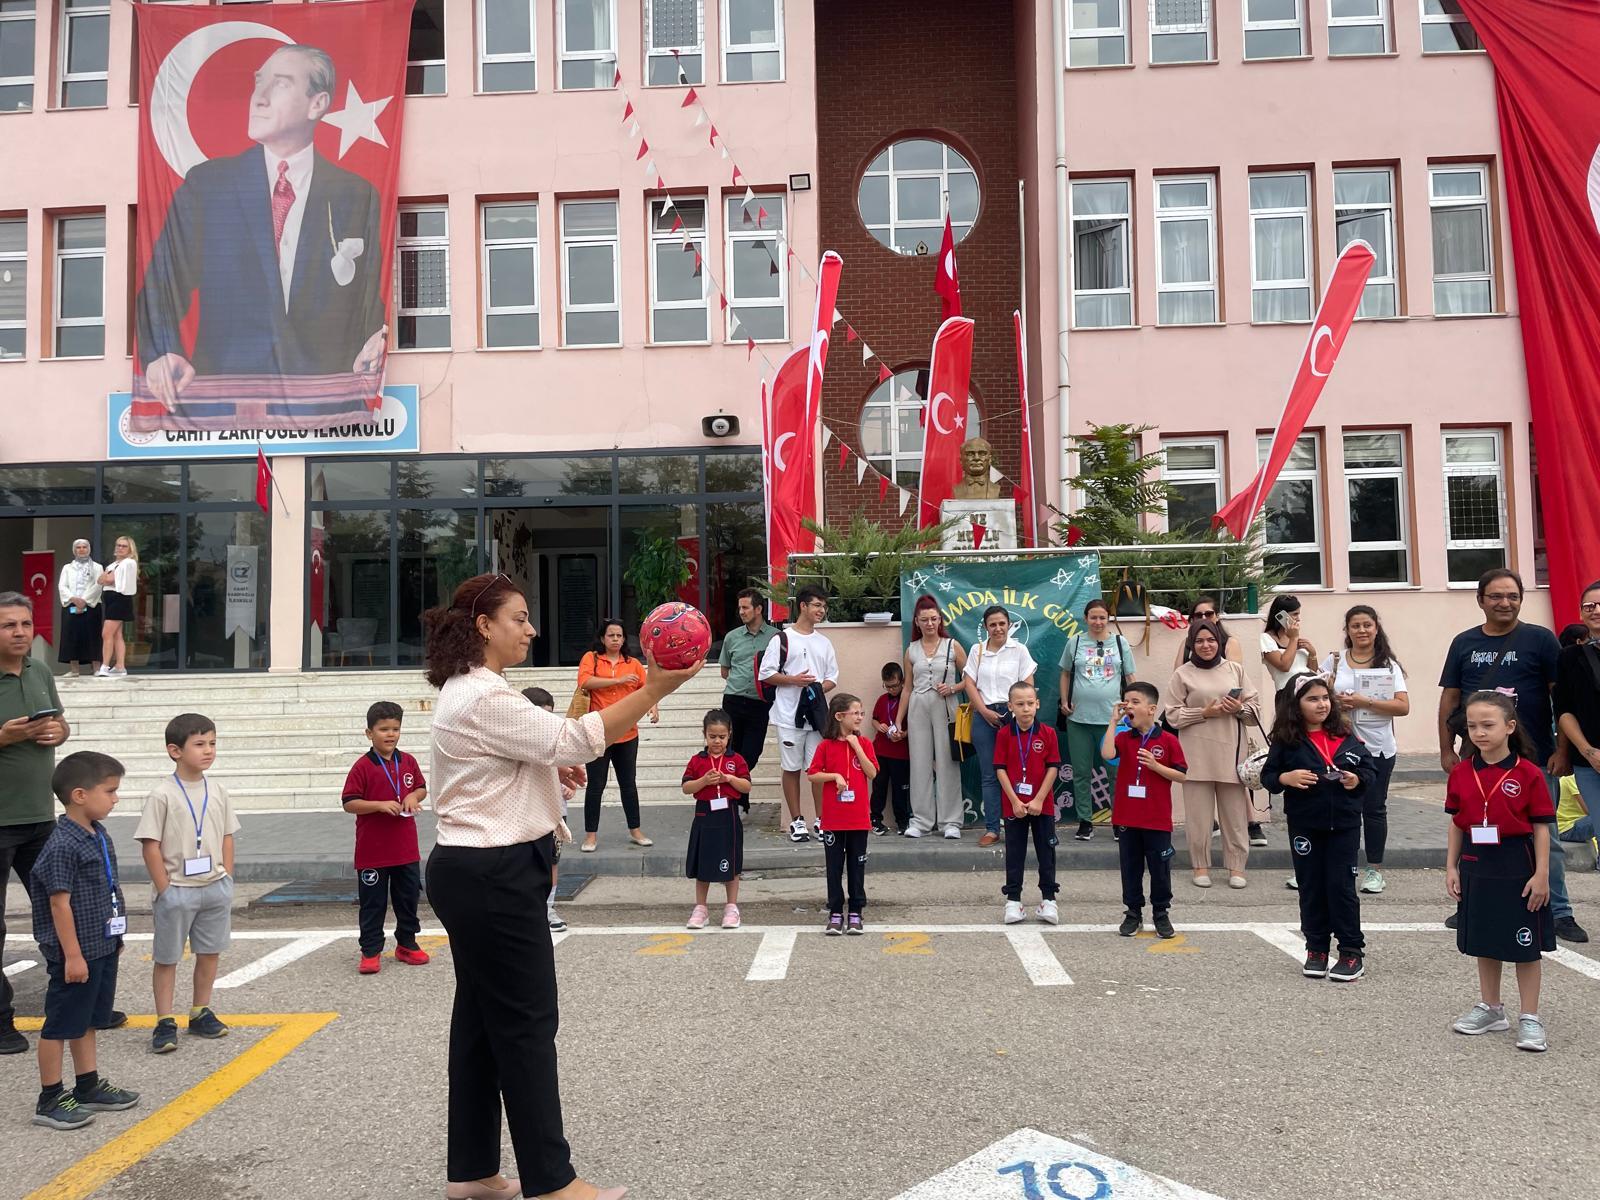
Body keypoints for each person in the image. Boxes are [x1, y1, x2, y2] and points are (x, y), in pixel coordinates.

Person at [422, 572, 696, 1200]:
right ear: (483, 626)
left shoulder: (476, 690)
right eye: (518, 618)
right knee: (524, 1026)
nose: (531, 629)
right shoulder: (484, 696)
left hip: (474, 870)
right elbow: (574, 736)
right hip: (493, 874)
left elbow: (527, 757)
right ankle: (552, 1183)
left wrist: (546, 771)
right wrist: (653, 685)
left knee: (482, 1026)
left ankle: (472, 1174)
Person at [135, 44, 386, 425]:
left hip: (325, 405)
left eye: (280, 85)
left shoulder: (355, 193)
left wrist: (377, 336)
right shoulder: (208, 186)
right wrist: (162, 351)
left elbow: (372, 293)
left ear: (316, 104)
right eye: (258, 83)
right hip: (221, 403)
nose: (259, 98)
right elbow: (162, 283)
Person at [1438, 568, 1584, 942]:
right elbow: (1450, 699)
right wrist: (1446, 749)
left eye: (1513, 596)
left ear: (1521, 599)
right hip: (1477, 758)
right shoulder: (1463, 643)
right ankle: (1469, 901)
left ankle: (1559, 910)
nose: (1505, 603)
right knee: (1474, 830)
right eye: (1496, 596)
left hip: (1534, 757)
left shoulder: (1540, 640)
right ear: (1481, 600)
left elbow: (1560, 699)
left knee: (1544, 834)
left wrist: (1561, 749)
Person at [30, 751, 140, 1130]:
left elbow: (105, 887)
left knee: (89, 1020)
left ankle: (87, 1085)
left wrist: (116, 935)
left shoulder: (97, 831)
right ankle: (49, 1098)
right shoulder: (62, 844)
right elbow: (60, 905)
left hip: (101, 944)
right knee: (61, 1024)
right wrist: (72, 956)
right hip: (76, 952)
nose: (116, 798)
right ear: (79, 794)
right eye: (110, 791)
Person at [1445, 691, 1554, 1053]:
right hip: (1476, 861)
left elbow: (1541, 828)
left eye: (1488, 725)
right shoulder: (1461, 773)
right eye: (1472, 726)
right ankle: (1491, 1008)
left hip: (1516, 862)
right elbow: (1457, 823)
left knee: (1525, 945)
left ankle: (1530, 1017)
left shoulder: (1529, 773)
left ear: (1509, 726)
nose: (1479, 732)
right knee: (1484, 939)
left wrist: (1541, 875)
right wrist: (1451, 866)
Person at [1261, 674, 1376, 983]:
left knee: (1340, 888)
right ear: (1296, 705)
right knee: (1311, 886)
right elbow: (1268, 776)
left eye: (1325, 698)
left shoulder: (1345, 734)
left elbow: (1369, 770)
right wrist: (1287, 778)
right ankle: (1316, 949)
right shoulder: (1287, 741)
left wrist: (1357, 779)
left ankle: (1351, 952)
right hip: (1305, 825)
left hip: (1345, 824)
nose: (1322, 704)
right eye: (1312, 699)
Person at [136, 713, 239, 1052]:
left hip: (214, 885)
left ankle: (200, 1011)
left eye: (212, 743)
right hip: (178, 888)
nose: (208, 750)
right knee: (167, 957)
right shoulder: (162, 794)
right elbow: (150, 843)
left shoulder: (218, 789)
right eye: (199, 744)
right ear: (174, 751)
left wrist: (228, 876)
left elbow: (227, 834)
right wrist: (164, 888)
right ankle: (165, 1020)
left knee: (210, 952)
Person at [0, 592, 72, 1056]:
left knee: (61, 915)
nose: (21, 632)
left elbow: (61, 722)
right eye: (10, 626)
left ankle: (72, 1005)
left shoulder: (41, 670)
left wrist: (57, 731)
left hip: (41, 819)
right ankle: (1, 1022)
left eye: (26, 624)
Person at [1319, 605, 1410, 896]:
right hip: (1339, 746)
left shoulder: (1388, 666)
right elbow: (1312, 697)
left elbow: (1402, 706)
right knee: (1335, 806)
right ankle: (1331, 865)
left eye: (1367, 625)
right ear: (1347, 630)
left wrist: (1363, 702)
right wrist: (1334, 700)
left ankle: (1374, 870)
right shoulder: (1333, 661)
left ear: (1376, 628)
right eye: (1355, 626)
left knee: (1373, 809)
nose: (1361, 631)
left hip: (1378, 748)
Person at [1165, 619, 1261, 890]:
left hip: (1231, 753)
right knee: (1199, 818)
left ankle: (1237, 867)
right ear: (1191, 644)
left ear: (1219, 642)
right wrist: (1203, 713)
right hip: (1195, 754)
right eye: (1199, 641)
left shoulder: (1235, 670)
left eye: (1211, 640)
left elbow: (1255, 712)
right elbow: (1172, 716)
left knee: (1235, 816)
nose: (1206, 646)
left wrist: (1238, 709)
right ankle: (1200, 866)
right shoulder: (1182, 674)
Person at [339, 701, 428, 976]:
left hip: (405, 850)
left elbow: (422, 788)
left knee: (407, 898)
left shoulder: (408, 762)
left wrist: (414, 796)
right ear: (369, 733)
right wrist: (378, 805)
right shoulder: (362, 767)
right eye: (383, 729)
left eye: (395, 729)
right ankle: (370, 950)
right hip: (373, 852)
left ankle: (407, 943)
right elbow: (349, 802)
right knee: (373, 902)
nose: (390, 734)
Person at [1103, 682, 1187, 940]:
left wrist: (1155, 766)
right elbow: (1107, 754)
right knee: (1130, 867)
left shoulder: (1168, 740)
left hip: (1156, 818)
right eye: (1126, 701)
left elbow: (1182, 775)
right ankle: (1133, 912)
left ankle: (1161, 913)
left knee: (1159, 868)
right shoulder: (1123, 738)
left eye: (1135, 702)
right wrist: (1112, 721)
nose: (1129, 706)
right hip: (1127, 817)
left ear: (1151, 709)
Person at [758, 585, 839, 844]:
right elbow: (766, 674)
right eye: (816, 605)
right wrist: (794, 680)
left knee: (817, 770)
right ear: (803, 606)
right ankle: (796, 821)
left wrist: (814, 691)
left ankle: (821, 820)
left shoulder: (824, 643)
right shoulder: (782, 639)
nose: (821, 610)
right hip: (787, 716)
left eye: (823, 606)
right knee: (791, 768)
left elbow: (832, 678)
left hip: (816, 718)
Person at [1058, 598, 1137, 843]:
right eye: (1093, 617)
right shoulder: (1076, 642)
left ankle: (1119, 821)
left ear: (1109, 619)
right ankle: (1085, 822)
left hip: (1112, 721)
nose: (1098, 621)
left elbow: (1130, 676)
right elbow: (1065, 673)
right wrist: (1064, 702)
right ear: (1086, 618)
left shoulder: (1120, 643)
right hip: (1079, 719)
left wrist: (1135, 706)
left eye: (1102, 617)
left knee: (1115, 772)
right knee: (1081, 772)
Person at [577, 619, 658, 853]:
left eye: (619, 636)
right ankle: (590, 835)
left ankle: (636, 830)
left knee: (628, 784)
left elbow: (647, 689)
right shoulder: (591, 658)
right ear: (602, 638)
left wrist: (653, 706)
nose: (615, 639)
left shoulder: (632, 664)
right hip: (598, 732)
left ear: (624, 639)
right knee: (596, 785)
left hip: (627, 732)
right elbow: (585, 681)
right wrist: (617, 680)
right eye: (610, 635)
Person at [963, 605, 1039, 846]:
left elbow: (1027, 684)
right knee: (989, 775)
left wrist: (1015, 712)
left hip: (1013, 716)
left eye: (1001, 623)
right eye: (992, 624)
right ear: (985, 627)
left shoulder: (1019, 650)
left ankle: (1017, 825)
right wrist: (984, 711)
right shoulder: (977, 650)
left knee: (1018, 772)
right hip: (984, 716)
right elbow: (969, 684)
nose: (997, 628)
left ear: (1009, 625)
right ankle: (993, 829)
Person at [808, 692, 878, 935]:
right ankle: (836, 911)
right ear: (839, 716)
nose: (859, 717)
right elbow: (812, 774)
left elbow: (872, 773)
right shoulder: (825, 746)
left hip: (858, 819)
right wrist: (834, 776)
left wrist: (857, 746)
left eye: (861, 713)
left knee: (857, 866)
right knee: (834, 867)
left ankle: (856, 911)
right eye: (855, 713)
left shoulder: (865, 743)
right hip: (834, 820)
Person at [995, 681, 1062, 926]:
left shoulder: (1048, 733)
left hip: (1041, 805)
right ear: (1011, 706)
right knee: (1015, 852)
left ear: (1038, 704)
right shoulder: (1004, 734)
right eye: (1020, 704)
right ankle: (1013, 901)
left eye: (1030, 703)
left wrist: (1039, 799)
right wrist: (1015, 800)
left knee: (1047, 851)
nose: (1026, 709)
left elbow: (1053, 767)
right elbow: (1000, 769)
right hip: (1014, 806)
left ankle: (1049, 900)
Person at [902, 595, 966, 839]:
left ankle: (951, 821)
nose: (929, 623)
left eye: (933, 619)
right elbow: (907, 687)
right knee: (919, 763)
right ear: (917, 622)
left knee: (947, 762)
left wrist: (953, 688)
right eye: (924, 619)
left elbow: (970, 677)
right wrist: (899, 720)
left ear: (940, 620)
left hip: (946, 705)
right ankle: (921, 820)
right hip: (918, 705)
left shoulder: (953, 645)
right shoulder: (912, 650)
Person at [682, 709, 751, 931]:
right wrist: (703, 781)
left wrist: (729, 778)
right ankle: (701, 908)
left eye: (721, 737)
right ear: (705, 734)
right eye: (712, 736)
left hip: (728, 814)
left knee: (731, 861)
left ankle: (731, 907)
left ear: (729, 735)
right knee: (703, 861)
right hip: (704, 814)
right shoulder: (697, 760)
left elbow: (746, 786)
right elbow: (686, 787)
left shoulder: (736, 759)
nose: (717, 741)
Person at [1554, 580, 1600, 872]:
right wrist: (1588, 751)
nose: (1596, 610)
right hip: (1589, 763)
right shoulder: (1570, 657)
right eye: (1589, 606)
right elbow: (1564, 710)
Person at [523, 687, 573, 932]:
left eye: (549, 715)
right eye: (539, 715)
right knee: (523, 863)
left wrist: (568, 788)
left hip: (554, 813)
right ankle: (526, 909)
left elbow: (571, 774)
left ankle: (548, 907)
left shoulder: (557, 740)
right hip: (525, 813)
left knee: (551, 862)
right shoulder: (515, 741)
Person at [717, 589, 778, 771]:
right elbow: (724, 671)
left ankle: (737, 795)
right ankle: (739, 799)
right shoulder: (731, 637)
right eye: (740, 608)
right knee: (730, 751)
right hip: (733, 700)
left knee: (752, 753)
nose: (741, 612)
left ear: (758, 609)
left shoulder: (776, 637)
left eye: (745, 607)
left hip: (760, 703)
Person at [869, 662, 912, 836]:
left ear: (902, 682)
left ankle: (902, 822)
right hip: (880, 751)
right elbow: (874, 719)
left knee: (900, 788)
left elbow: (915, 725)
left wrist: (903, 734)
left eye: (894, 686)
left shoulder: (908, 699)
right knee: (879, 786)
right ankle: (875, 820)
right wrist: (879, 726)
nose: (891, 690)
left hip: (901, 753)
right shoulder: (882, 699)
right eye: (887, 687)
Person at [56, 540, 103, 677]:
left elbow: (98, 585)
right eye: (78, 547)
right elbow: (62, 586)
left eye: (84, 547)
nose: (82, 550)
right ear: (74, 550)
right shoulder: (67, 568)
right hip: (71, 604)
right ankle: (74, 670)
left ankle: (96, 668)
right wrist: (73, 599)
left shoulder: (97, 567)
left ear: (89, 549)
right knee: (71, 635)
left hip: (91, 605)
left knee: (93, 636)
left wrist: (84, 600)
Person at [97, 536, 137, 678]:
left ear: (130, 549)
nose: (120, 548)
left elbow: (107, 579)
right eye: (118, 545)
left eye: (124, 546)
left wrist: (107, 579)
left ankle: (105, 666)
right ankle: (120, 666)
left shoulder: (128, 563)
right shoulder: (113, 564)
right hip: (111, 599)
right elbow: (100, 580)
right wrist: (106, 578)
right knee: (116, 634)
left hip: (120, 599)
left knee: (106, 633)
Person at [1171, 595, 1245, 669]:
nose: (1204, 618)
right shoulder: (1186, 643)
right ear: (1192, 620)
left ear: (1217, 617)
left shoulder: (1230, 643)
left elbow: (1233, 676)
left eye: (1209, 614)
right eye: (1198, 615)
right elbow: (1178, 675)